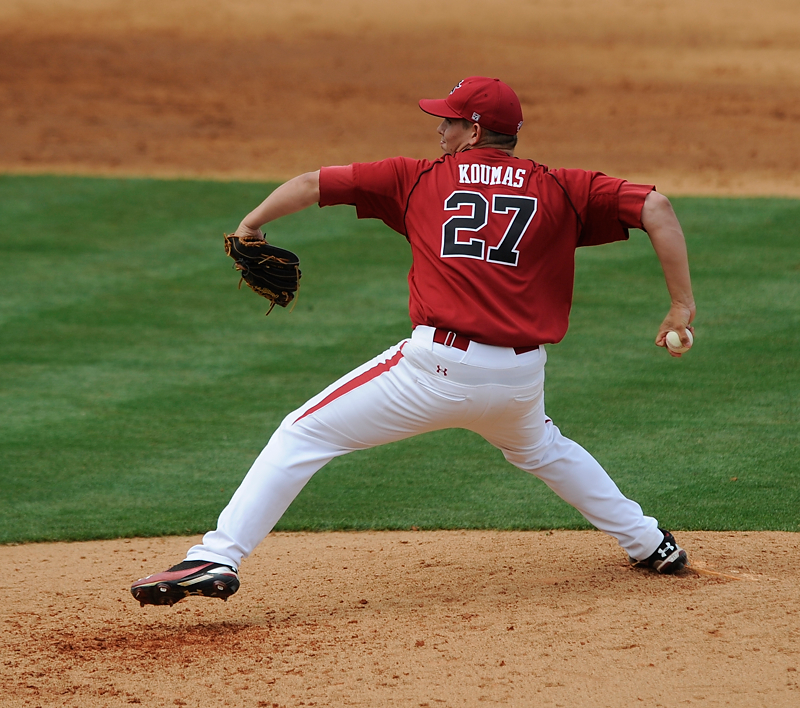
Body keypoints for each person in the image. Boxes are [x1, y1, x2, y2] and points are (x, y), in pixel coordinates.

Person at [131, 77, 695, 607]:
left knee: (304, 432)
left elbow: (311, 184)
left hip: (436, 371)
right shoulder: (563, 187)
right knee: (543, 449)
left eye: (449, 121)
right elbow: (656, 207)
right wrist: (681, 306)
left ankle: (216, 556)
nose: (440, 129)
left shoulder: (419, 177)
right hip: (519, 380)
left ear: (474, 130)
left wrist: (250, 226)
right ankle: (650, 543)